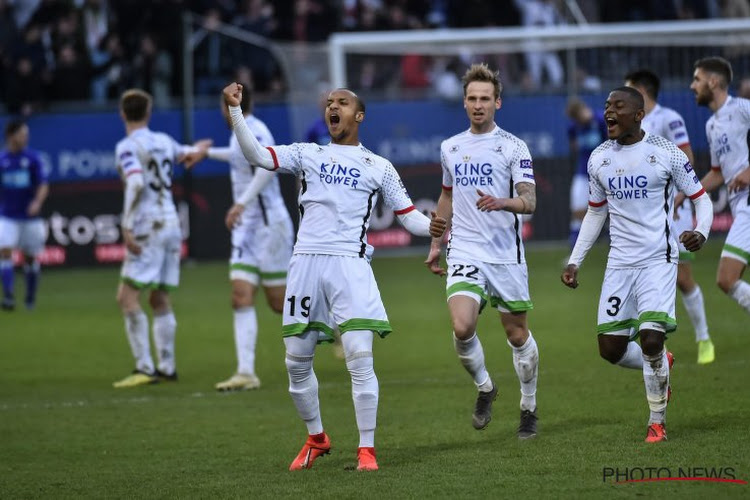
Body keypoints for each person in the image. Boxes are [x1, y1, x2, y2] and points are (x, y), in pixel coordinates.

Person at [223, 82, 446, 471]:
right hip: (305, 263)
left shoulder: (379, 167)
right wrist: (236, 111)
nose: (333, 106)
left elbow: (408, 216)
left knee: (360, 357)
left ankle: (367, 450)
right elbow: (258, 155)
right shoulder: (307, 153)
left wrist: (433, 228)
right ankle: (316, 437)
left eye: (342, 102)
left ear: (358, 115)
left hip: (350, 265)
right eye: (329, 103)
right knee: (296, 362)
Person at [561, 87, 713, 443]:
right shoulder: (599, 158)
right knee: (610, 350)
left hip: (658, 258)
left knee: (650, 338)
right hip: (619, 264)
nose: (609, 112)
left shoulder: (664, 153)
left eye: (618, 106)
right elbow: (595, 213)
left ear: (638, 114)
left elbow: (700, 199)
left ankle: (656, 421)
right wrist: (574, 260)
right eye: (607, 106)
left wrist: (701, 231)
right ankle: (662, 362)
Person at [425, 63, 541, 440]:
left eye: (485, 99)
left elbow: (530, 200)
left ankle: (528, 407)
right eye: (472, 99)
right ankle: (486, 387)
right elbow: (446, 196)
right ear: (464, 103)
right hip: (465, 250)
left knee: (517, 334)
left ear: (498, 103)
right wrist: (436, 243)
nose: (478, 105)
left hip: (505, 253)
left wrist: (504, 202)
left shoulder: (513, 147)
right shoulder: (450, 147)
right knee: (462, 326)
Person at [183, 86, 294, 392]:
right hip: (247, 228)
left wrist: (242, 201)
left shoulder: (257, 129)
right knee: (240, 295)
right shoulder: (238, 135)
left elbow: (267, 168)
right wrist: (206, 152)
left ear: (226, 108)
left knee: (278, 302)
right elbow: (236, 157)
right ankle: (246, 372)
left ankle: (330, 323)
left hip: (271, 225)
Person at [112, 89, 208, 388]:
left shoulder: (127, 146)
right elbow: (187, 154)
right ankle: (167, 366)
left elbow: (136, 181)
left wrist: (126, 226)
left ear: (123, 113)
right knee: (159, 296)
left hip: (147, 225)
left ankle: (145, 367)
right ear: (148, 113)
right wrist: (201, 149)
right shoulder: (164, 141)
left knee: (127, 298)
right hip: (172, 223)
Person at [625, 69, 715, 365]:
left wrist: (678, 195)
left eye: (628, 90)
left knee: (682, 278)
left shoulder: (669, 117)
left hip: (674, 209)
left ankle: (703, 338)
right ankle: (652, 341)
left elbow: (687, 156)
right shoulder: (631, 122)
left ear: (640, 89)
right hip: (644, 214)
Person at [689, 56, 750, 319]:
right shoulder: (711, 125)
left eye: (697, 79)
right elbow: (717, 173)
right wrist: (688, 192)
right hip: (740, 207)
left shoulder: (742, 108)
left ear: (713, 82)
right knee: (728, 278)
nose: (692, 86)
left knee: (726, 278)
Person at [0, 119, 48, 311]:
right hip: (7, 215)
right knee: (4, 252)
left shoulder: (33, 158)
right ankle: (9, 296)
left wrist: (37, 202)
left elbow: (43, 184)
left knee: (30, 258)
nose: (25, 138)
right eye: (22, 134)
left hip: (30, 218)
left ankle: (30, 299)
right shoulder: (2, 160)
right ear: (11, 136)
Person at [566, 97, 608, 250]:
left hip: (604, 173)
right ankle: (575, 247)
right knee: (577, 207)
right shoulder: (573, 127)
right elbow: (574, 146)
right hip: (583, 171)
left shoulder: (601, 121)